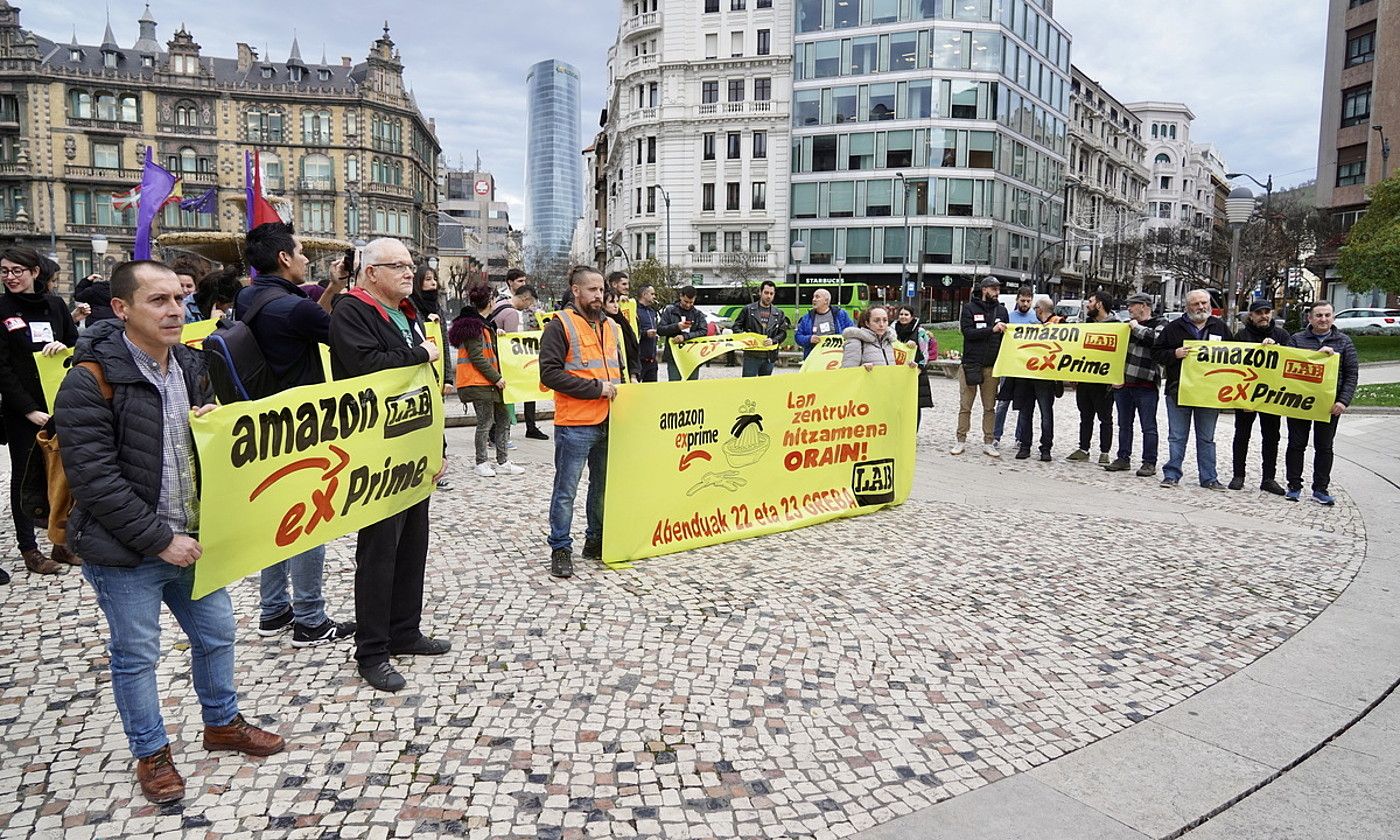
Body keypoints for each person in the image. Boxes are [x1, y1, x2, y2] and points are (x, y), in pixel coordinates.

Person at [57, 259, 285, 805]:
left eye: (179, 300)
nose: (175, 311)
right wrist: (160, 540)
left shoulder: (190, 364)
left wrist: (213, 425)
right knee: (136, 655)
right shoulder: (89, 380)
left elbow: (215, 445)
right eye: (158, 301)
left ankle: (222, 722)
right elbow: (95, 480)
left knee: (217, 635)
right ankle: (152, 752)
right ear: (121, 308)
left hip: (194, 540)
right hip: (126, 552)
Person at [329, 238, 449, 693]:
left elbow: (421, 384)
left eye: (410, 263)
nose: (408, 271)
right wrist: (421, 354)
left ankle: (405, 629)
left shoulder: (409, 313)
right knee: (379, 551)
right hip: (375, 447)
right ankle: (372, 649)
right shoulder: (351, 310)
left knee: (413, 542)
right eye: (397, 265)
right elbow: (366, 366)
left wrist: (436, 445)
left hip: (411, 443)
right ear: (370, 272)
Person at [236, 222, 356, 647]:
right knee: (309, 522)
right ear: (284, 258)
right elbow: (345, 338)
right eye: (301, 251)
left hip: (264, 423)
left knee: (276, 520)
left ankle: (273, 611)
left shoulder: (250, 296)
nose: (307, 257)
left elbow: (306, 320)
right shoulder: (293, 307)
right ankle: (310, 618)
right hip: (301, 427)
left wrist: (331, 289)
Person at [539, 266, 625, 579]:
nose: (599, 296)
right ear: (576, 291)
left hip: (608, 420)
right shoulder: (559, 325)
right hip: (575, 423)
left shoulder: (611, 326)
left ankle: (595, 540)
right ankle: (560, 547)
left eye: (601, 290)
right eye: (592, 290)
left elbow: (619, 372)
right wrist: (595, 389)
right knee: (566, 491)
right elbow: (549, 374)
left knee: (601, 488)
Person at [0, 245, 80, 575]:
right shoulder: (2, 309)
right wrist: (29, 409)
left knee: (65, 473)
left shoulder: (55, 305)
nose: (10, 277)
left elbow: (77, 345)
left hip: (59, 404)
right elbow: (2, 368)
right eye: (4, 271)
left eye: (17, 270)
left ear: (35, 273)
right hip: (24, 411)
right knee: (25, 478)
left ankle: (61, 542)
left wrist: (64, 346)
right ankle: (29, 548)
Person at [1153, 288, 1231, 490]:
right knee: (1177, 436)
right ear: (1187, 307)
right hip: (1178, 390)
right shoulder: (1174, 327)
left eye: (1204, 303)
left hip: (1209, 393)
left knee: (1207, 438)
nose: (1201, 307)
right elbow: (1157, 353)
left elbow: (1235, 356)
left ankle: (1209, 478)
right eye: (1196, 304)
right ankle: (1171, 474)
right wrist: (1174, 354)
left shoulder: (1220, 328)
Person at [1284, 301, 1359, 505]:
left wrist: (1343, 401)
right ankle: (1294, 486)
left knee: (1324, 447)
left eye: (1327, 315)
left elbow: (1351, 374)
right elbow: (1285, 367)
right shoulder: (1297, 340)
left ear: (1333, 318)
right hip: (1299, 403)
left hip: (1329, 405)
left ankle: (1320, 488)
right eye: (1318, 315)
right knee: (1296, 445)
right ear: (1310, 318)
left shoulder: (1344, 342)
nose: (1323, 319)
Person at [450, 282, 527, 478]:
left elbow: (488, 350)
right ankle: (481, 462)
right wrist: (497, 377)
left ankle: (502, 461)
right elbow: (477, 357)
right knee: (485, 422)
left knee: (503, 419)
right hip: (479, 382)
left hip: (489, 383)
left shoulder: (485, 325)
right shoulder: (473, 326)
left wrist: (497, 335)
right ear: (490, 301)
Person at [1229, 300, 1290, 494]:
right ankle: (1238, 475)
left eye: (1267, 312)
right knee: (1241, 435)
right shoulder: (1241, 336)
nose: (1264, 316)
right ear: (1251, 316)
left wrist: (1277, 348)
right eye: (1259, 313)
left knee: (1272, 437)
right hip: (1246, 393)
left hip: (1272, 395)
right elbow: (1232, 362)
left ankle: (1268, 478)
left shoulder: (1281, 334)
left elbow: (1290, 360)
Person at [1105, 293, 1164, 477]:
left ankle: (1149, 461)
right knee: (1124, 424)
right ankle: (1123, 457)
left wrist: (1136, 328)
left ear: (1144, 306)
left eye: (1132, 305)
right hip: (1124, 383)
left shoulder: (1160, 323)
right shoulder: (1125, 326)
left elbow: (1157, 340)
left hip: (1146, 384)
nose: (1129, 309)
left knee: (1148, 425)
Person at [952, 277, 1008, 457]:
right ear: (984, 290)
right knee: (965, 405)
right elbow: (967, 332)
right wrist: (991, 330)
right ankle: (960, 440)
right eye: (994, 289)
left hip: (991, 366)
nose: (997, 292)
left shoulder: (1002, 310)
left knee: (989, 407)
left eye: (998, 289)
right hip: (970, 364)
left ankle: (989, 441)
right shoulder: (969, 308)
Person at [490, 283, 550, 441]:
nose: (529, 307)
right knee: (510, 396)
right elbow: (511, 342)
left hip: (493, 358)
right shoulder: (512, 313)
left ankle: (495, 431)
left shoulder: (499, 304)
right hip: (506, 363)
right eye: (529, 303)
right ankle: (499, 434)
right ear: (525, 298)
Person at [1065, 291, 1116, 464]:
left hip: (1104, 382)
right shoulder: (1086, 324)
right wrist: (1074, 373)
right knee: (1085, 416)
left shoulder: (1117, 326)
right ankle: (1083, 448)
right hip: (1085, 379)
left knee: (1105, 418)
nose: (1088, 304)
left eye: (1091, 301)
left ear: (1099, 304)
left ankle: (1104, 452)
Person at [1010, 298, 1064, 461]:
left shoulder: (1058, 324)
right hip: (1028, 376)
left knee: (1045, 414)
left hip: (1045, 377)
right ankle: (1025, 445)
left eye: (1035, 308)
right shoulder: (1034, 325)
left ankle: (1045, 448)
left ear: (1040, 309)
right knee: (1026, 413)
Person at [993, 287, 1039, 448]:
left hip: (1027, 367)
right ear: (1017, 300)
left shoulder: (1036, 319)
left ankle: (1020, 437)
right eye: (1023, 301)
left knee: (1024, 405)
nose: (1025, 304)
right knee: (1002, 403)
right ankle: (995, 435)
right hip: (1009, 365)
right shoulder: (1009, 317)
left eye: (1028, 301)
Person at [733, 280, 790, 377]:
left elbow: (783, 333)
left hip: (769, 356)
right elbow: (736, 327)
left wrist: (773, 340)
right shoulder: (748, 309)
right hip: (751, 355)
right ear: (760, 292)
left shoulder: (779, 313)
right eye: (766, 293)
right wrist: (744, 336)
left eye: (771, 293)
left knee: (764, 388)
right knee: (748, 386)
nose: (769, 296)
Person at [893, 305, 934, 429]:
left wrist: (919, 368)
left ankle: (912, 431)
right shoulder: (891, 331)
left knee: (914, 404)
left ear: (912, 316)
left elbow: (925, 353)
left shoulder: (920, 332)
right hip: (896, 372)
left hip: (915, 372)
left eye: (906, 315)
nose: (903, 317)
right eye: (901, 314)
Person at [657, 285, 708, 381]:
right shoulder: (670, 311)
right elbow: (660, 330)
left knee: (691, 387)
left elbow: (703, 331)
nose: (688, 305)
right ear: (680, 296)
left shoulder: (698, 314)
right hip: (674, 356)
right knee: (674, 385)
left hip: (692, 355)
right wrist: (677, 326)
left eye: (691, 302)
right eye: (686, 301)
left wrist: (685, 337)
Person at [794, 288, 854, 357]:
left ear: (826, 301)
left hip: (836, 356)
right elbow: (798, 337)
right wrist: (809, 339)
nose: (814, 299)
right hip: (814, 357)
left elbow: (851, 332)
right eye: (813, 297)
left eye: (817, 297)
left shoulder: (840, 314)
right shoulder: (807, 318)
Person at [604, 288, 641, 382]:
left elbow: (632, 348)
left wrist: (633, 374)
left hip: (625, 374)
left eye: (617, 302)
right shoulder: (600, 324)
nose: (616, 306)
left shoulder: (623, 323)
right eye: (611, 302)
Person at [635, 283, 660, 382]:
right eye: (652, 294)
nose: (654, 296)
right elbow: (633, 331)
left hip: (652, 360)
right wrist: (645, 333)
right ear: (644, 295)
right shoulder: (634, 310)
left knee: (652, 391)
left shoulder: (652, 312)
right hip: (639, 359)